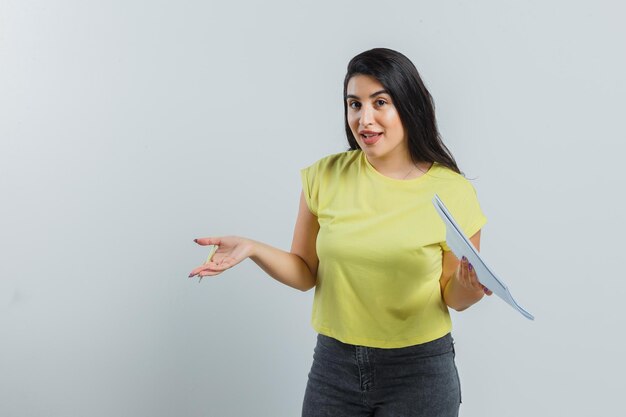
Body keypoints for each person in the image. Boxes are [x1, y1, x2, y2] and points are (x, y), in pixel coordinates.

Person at [188, 48, 492, 417]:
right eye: (354, 104)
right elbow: (304, 272)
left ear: (409, 106)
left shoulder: (452, 190)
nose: (364, 119)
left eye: (380, 102)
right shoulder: (324, 176)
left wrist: (470, 287)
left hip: (419, 372)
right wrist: (253, 249)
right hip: (334, 368)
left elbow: (453, 297)